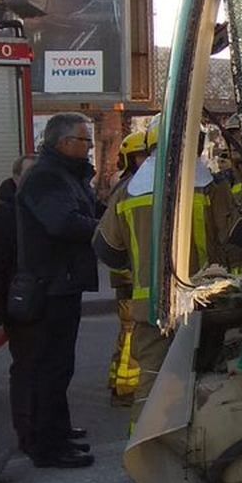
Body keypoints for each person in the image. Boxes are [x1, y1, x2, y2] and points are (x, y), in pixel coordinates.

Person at [94, 119, 241, 428]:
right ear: (196, 146)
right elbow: (237, 240)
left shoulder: (126, 193)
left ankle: (147, 453)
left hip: (152, 307)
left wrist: (140, 266)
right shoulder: (211, 187)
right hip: (205, 306)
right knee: (206, 379)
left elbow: (106, 248)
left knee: (152, 386)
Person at [17, 114, 102, 469]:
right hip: (49, 287)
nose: (89, 148)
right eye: (85, 141)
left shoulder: (69, 176)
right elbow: (63, 223)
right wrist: (103, 229)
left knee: (60, 366)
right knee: (49, 368)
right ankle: (47, 446)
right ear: (64, 142)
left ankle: (59, 430)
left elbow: (90, 211)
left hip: (63, 284)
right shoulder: (47, 178)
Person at [0, 155, 38, 454]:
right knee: (26, 370)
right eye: (28, 174)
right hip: (20, 307)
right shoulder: (2, 217)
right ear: (15, 177)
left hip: (42, 304)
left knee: (47, 369)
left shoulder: (36, 206)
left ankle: (48, 426)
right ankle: (28, 434)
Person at [105, 129, 151, 404]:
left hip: (129, 273)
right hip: (129, 275)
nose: (145, 160)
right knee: (131, 330)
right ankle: (126, 387)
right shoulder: (129, 188)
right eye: (140, 156)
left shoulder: (129, 186)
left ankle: (121, 381)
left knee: (128, 331)